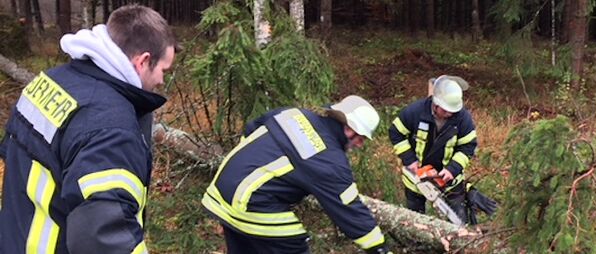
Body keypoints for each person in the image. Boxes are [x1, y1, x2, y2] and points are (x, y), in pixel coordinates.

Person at [0, 5, 176, 253]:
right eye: (163, 70)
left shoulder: (51, 81)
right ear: (143, 61)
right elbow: (103, 239)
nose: (161, 81)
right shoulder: (110, 129)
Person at [202, 95, 391, 254]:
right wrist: (379, 248)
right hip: (249, 204)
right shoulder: (330, 160)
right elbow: (349, 208)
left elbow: (252, 128)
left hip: (220, 190)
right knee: (293, 246)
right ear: (350, 129)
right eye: (361, 139)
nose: (360, 145)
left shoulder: (292, 114)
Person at [389, 75, 495, 224]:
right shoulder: (416, 112)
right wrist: (409, 159)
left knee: (459, 219)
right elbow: (396, 132)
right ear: (435, 103)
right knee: (416, 220)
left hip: (449, 179)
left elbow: (468, 146)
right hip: (415, 179)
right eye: (445, 111)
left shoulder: (463, 119)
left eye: (452, 111)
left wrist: (453, 168)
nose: (449, 114)